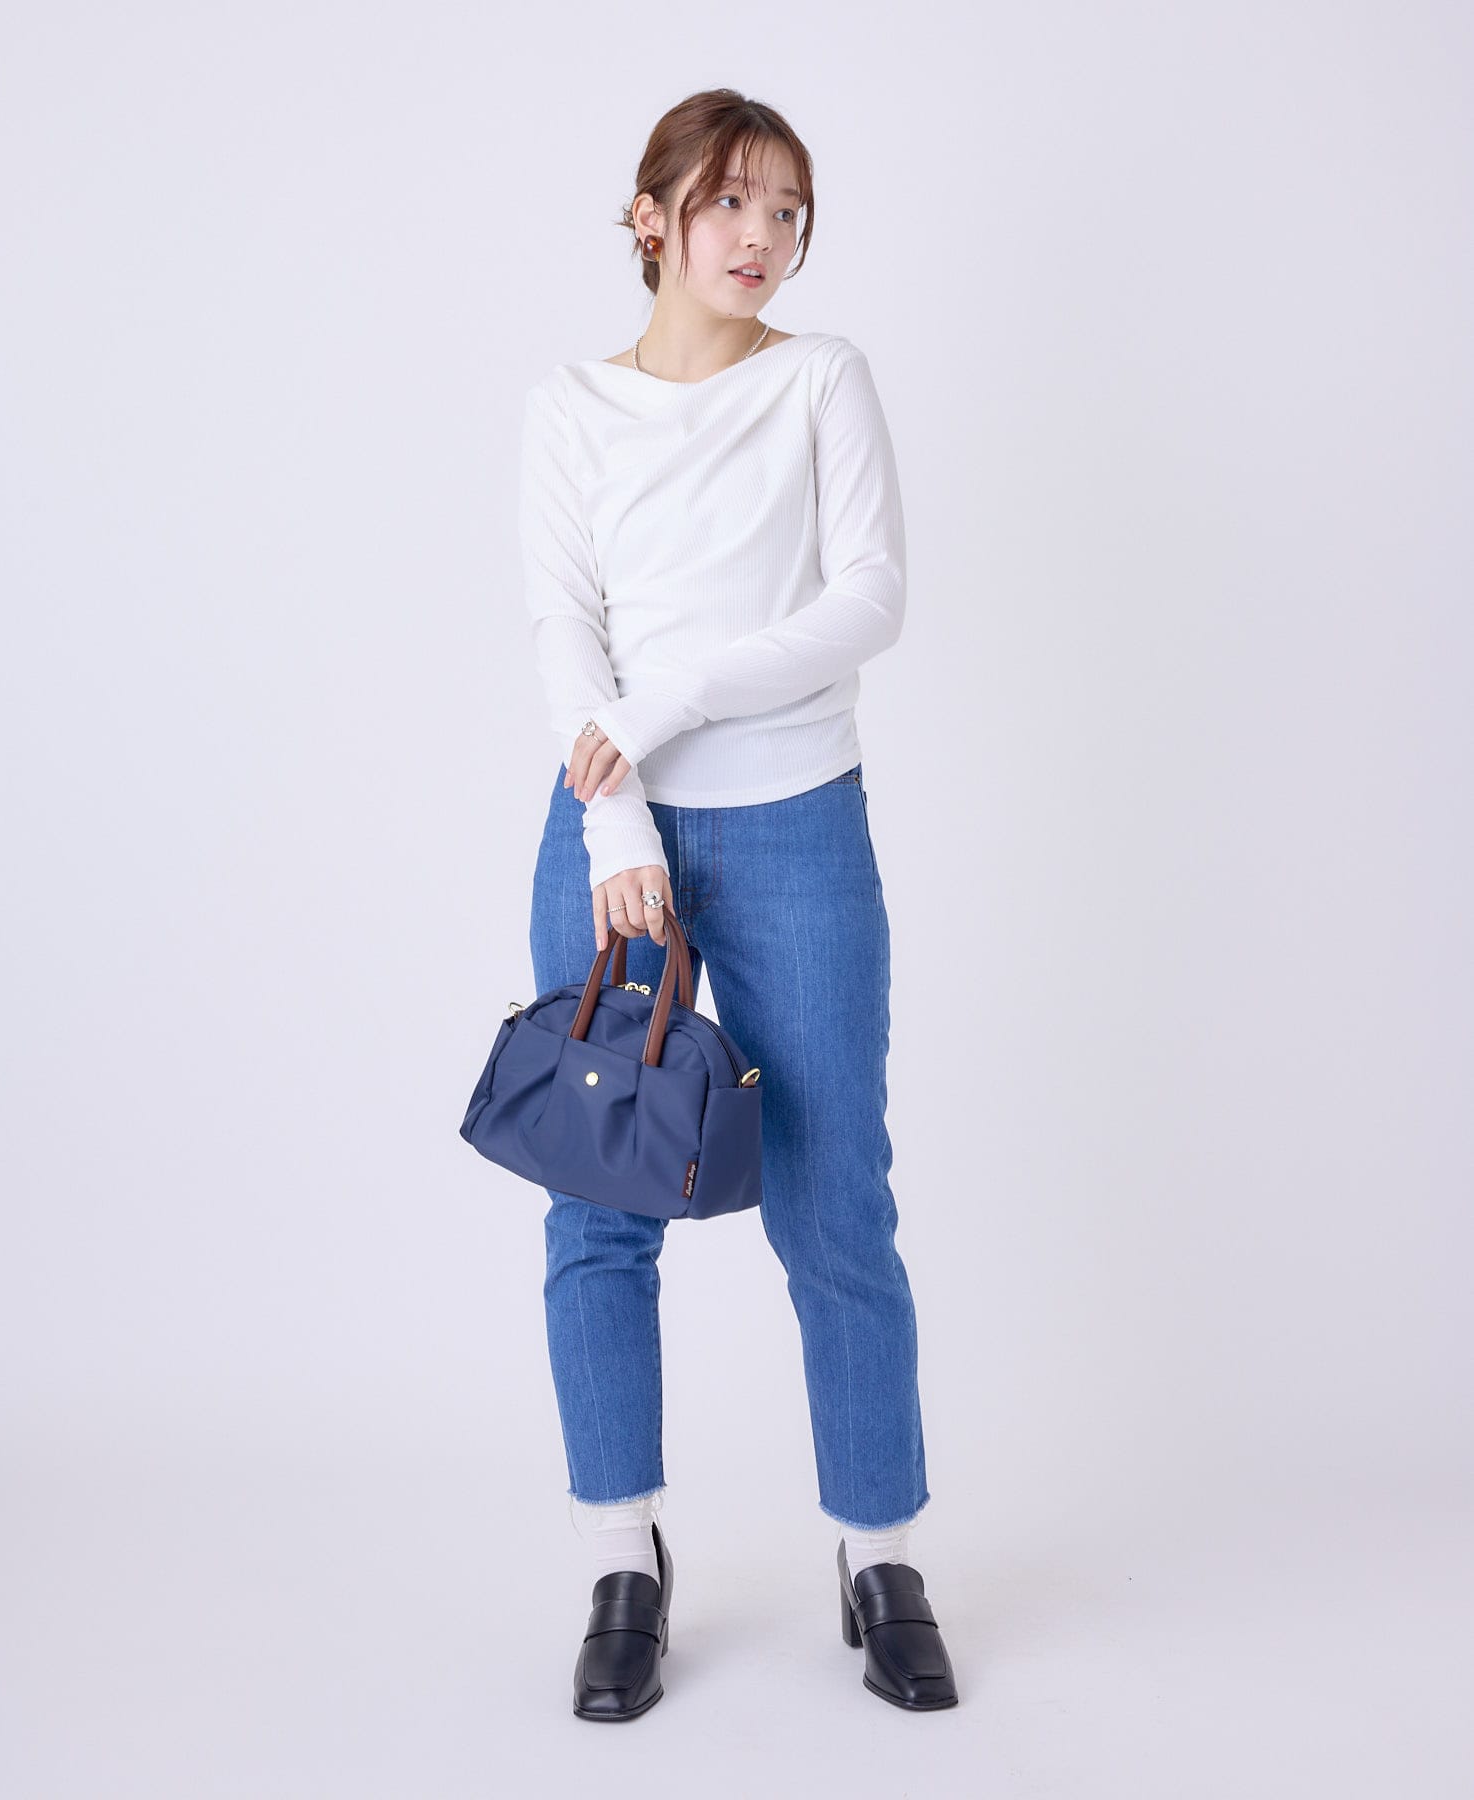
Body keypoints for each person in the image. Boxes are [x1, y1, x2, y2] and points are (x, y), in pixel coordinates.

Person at [519, 87, 957, 1719]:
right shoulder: (570, 406)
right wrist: (616, 814)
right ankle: (622, 1556)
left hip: (798, 828)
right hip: (610, 835)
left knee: (837, 1198)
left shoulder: (820, 380)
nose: (761, 237)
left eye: (786, 211)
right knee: (598, 1201)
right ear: (653, 217)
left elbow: (871, 598)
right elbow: (563, 626)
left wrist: (675, 698)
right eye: (727, 203)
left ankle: (880, 1553)